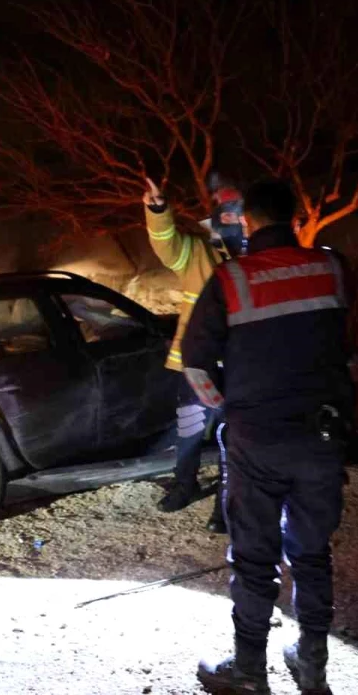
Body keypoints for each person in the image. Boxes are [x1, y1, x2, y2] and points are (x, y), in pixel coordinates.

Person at [182, 180, 353, 694]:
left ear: (248, 222)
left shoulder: (232, 278)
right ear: (296, 220)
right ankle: (312, 664)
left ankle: (250, 671)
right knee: (312, 550)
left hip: (257, 436)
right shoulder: (333, 267)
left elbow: (195, 364)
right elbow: (344, 339)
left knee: (255, 553)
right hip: (322, 432)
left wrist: (228, 404)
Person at [142, 176, 232, 516]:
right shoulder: (197, 251)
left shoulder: (255, 258)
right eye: (225, 214)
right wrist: (159, 210)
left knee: (235, 435)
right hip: (196, 364)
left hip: (240, 363)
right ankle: (185, 484)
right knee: (191, 428)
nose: (231, 221)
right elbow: (166, 245)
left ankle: (225, 503)